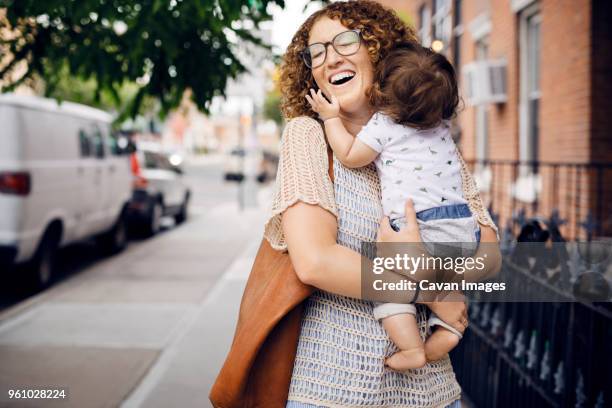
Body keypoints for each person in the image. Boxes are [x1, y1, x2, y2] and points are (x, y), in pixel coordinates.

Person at [264, 1, 501, 406]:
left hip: (432, 392)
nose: (329, 58)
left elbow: (489, 255)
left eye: (344, 41)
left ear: (377, 49)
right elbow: (316, 261)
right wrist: (431, 287)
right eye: (316, 52)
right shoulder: (309, 135)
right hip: (335, 387)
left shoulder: (429, 134)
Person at [306, 44, 477, 371]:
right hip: (461, 228)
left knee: (387, 282)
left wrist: (329, 119)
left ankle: (412, 346)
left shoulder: (385, 123)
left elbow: (350, 155)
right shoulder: (442, 128)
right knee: (449, 278)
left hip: (418, 226)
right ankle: (452, 326)